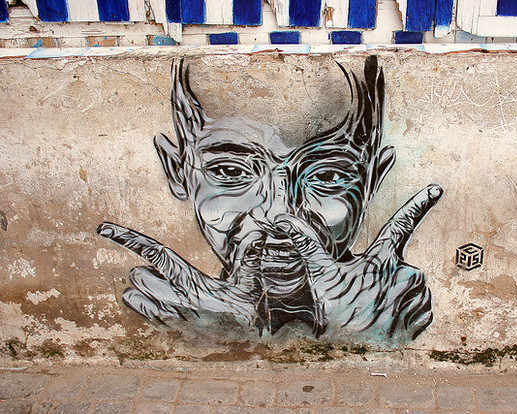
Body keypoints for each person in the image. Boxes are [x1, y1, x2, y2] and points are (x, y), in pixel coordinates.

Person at [97, 56, 442, 340]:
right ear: (177, 171)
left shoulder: (391, 314)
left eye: (326, 177)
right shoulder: (176, 313)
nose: (278, 214)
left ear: (372, 181)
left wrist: (376, 332)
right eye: (231, 172)